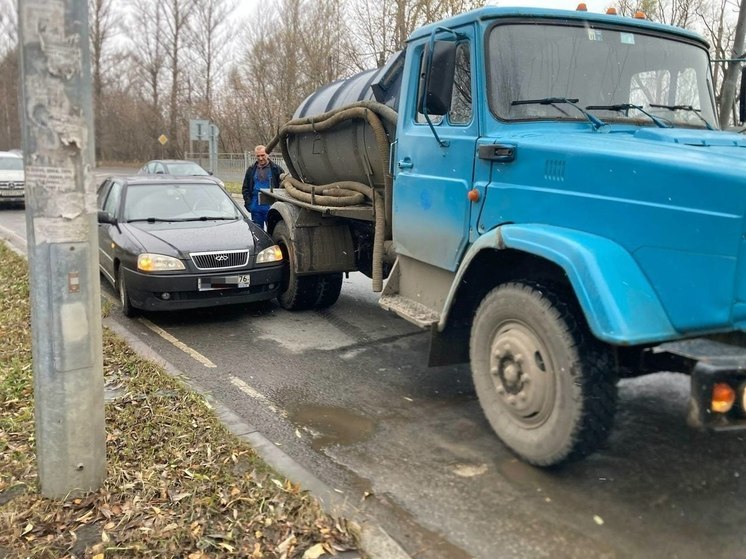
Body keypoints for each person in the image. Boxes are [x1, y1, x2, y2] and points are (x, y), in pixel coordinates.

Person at [242, 145, 283, 229]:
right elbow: (245, 188)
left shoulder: (276, 169)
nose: (260, 158)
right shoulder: (251, 170)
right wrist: (249, 204)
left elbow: (283, 188)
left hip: (271, 206)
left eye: (262, 155)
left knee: (273, 231)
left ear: (267, 155)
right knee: (258, 233)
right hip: (255, 206)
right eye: (258, 156)